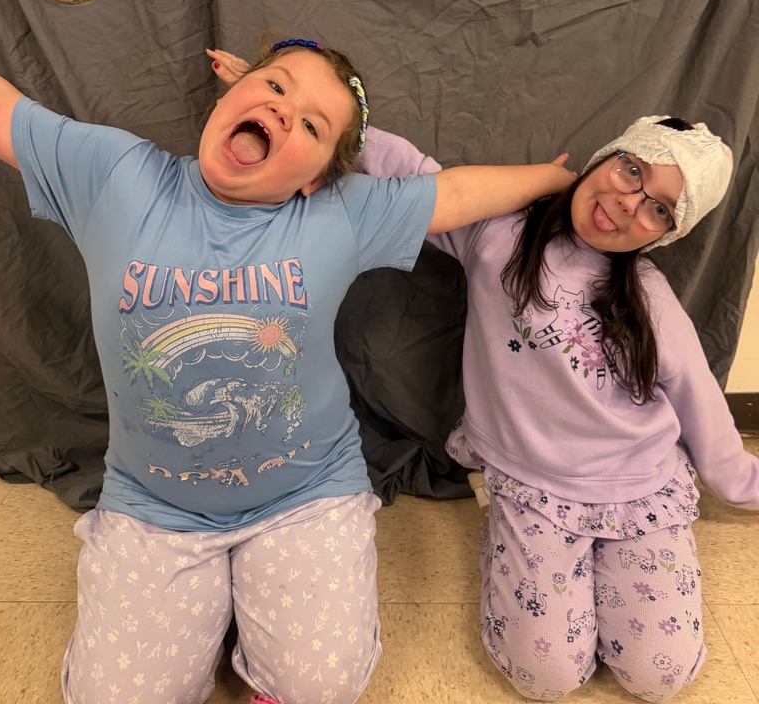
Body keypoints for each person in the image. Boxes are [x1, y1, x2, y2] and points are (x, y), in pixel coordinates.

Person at [0, 35, 574, 704]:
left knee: (318, 687)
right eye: (275, 87)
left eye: (311, 124)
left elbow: (458, 192)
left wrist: (554, 179)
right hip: (156, 504)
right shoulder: (115, 174)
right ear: (232, 94)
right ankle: (217, 606)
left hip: (304, 496)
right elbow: (1, 109)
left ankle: (255, 618)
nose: (281, 111)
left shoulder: (341, 210)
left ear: (318, 175)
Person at [209, 50, 759, 701]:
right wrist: (306, 114)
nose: (626, 201)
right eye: (631, 169)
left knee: (659, 676)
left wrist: (746, 485)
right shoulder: (501, 229)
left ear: (668, 233)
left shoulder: (651, 300)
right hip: (532, 485)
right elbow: (414, 175)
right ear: (608, 155)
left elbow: (702, 409)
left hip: (641, 486)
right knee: (547, 678)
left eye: (659, 209)